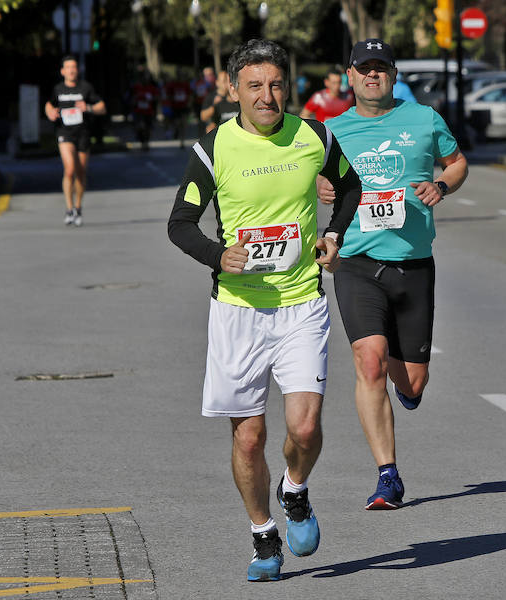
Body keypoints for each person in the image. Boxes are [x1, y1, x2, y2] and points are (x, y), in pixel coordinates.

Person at [167, 38, 361, 582]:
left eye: (275, 84)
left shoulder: (314, 136)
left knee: (305, 425)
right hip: (237, 311)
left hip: (300, 302)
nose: (267, 95)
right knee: (248, 436)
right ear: (234, 90)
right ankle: (263, 536)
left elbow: (351, 187)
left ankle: (294, 489)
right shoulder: (212, 149)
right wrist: (217, 254)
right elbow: (179, 224)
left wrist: (333, 235)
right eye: (254, 85)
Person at [318, 38, 468, 509]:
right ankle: (388, 474)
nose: (372, 76)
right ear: (350, 75)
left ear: (394, 76)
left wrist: (441, 183)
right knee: (369, 362)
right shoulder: (330, 131)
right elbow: (308, 178)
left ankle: (408, 388)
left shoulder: (424, 119)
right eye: (364, 69)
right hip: (356, 262)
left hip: (413, 262)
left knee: (412, 383)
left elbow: (458, 162)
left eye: (381, 69)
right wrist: (321, 185)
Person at [44, 55, 106, 226]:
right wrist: (50, 112)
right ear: (62, 71)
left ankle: (78, 207)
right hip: (64, 133)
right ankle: (69, 208)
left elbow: (102, 107)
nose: (71, 70)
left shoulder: (85, 88)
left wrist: (88, 107)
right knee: (69, 169)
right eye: (68, 67)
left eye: (74, 67)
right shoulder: (58, 89)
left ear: (77, 70)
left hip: (83, 133)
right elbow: (48, 104)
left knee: (80, 173)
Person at [130, 66, 159, 151]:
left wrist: (151, 98)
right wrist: (135, 99)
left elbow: (157, 98)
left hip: (149, 111)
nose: (145, 80)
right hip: (138, 111)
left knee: (148, 128)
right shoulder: (136, 87)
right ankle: (142, 140)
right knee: (140, 127)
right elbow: (131, 97)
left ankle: (146, 143)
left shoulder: (152, 88)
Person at [164, 71, 193, 148]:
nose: (181, 78)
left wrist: (189, 104)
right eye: (179, 76)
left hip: (184, 107)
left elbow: (190, 95)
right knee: (177, 123)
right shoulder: (173, 85)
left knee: (183, 124)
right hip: (175, 107)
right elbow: (168, 95)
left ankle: (182, 142)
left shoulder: (186, 85)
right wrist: (171, 101)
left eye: (182, 76)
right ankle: (176, 130)